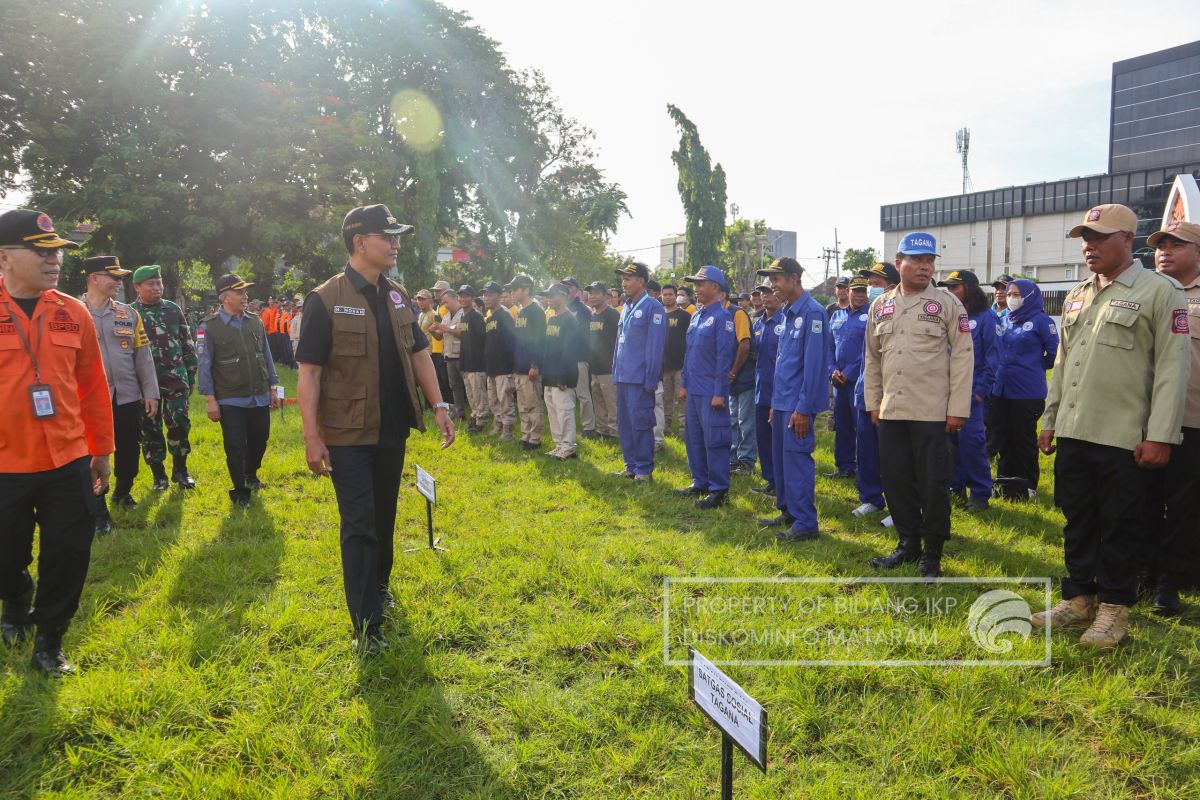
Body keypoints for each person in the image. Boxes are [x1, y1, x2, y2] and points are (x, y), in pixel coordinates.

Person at [297, 203, 453, 656]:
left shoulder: (399, 295)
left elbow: (420, 353)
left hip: (391, 428)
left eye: (397, 235)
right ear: (359, 242)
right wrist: (312, 435)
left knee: (384, 517)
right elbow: (308, 372)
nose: (396, 243)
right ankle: (365, 624)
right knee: (360, 522)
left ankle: (379, 590)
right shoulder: (324, 298)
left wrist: (439, 404)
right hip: (346, 433)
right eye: (387, 236)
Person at [1033, 204, 1190, 649]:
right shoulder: (1079, 293)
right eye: (1086, 237)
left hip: (1125, 436)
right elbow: (1063, 362)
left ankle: (1114, 612)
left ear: (1127, 239)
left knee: (1122, 525)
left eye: (1099, 237)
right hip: (1075, 430)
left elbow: (1172, 370)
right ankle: (1079, 598)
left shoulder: (1159, 291)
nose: (1089, 245)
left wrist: (1160, 435)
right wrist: (1050, 418)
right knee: (1076, 519)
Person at [0, 208, 113, 676]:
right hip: (5, 463)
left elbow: (92, 386)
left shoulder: (73, 311)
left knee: (68, 553)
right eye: (42, 251)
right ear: (5, 257)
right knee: (5, 556)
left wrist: (101, 451)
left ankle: (50, 640)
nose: (55, 261)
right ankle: (15, 597)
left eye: (58, 252)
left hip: (67, 458)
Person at [864, 233, 973, 578]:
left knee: (932, 483)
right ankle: (908, 543)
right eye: (917, 260)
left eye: (930, 261)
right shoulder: (880, 305)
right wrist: (873, 402)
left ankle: (933, 553)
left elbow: (964, 358)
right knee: (895, 481)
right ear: (899, 264)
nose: (925, 266)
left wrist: (958, 409)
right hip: (892, 411)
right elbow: (871, 359)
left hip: (932, 413)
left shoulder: (946, 303)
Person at [1144, 220, 1200, 615]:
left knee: (1184, 504)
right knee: (1141, 500)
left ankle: (1171, 581)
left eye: (1176, 245)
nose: (1164, 251)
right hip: (1142, 419)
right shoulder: (1143, 292)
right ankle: (1143, 572)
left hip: (1191, 419)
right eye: (1160, 244)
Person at [82, 256, 159, 534]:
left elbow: (143, 356)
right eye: (112, 277)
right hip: (87, 402)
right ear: (94, 278)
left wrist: (150, 392)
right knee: (92, 455)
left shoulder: (128, 314)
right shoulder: (73, 312)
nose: (118, 282)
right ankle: (98, 509)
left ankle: (123, 492)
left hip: (126, 397)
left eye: (120, 277)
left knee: (128, 451)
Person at [756, 257, 829, 541]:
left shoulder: (813, 313)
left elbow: (813, 367)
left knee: (797, 461)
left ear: (793, 279)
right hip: (782, 402)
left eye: (776, 280)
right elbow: (783, 364)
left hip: (798, 405)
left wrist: (803, 407)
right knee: (781, 462)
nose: (772, 286)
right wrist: (775, 403)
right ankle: (788, 510)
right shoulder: (787, 313)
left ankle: (805, 523)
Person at [196, 274, 281, 508]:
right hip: (230, 396)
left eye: (245, 292)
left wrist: (273, 387)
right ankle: (240, 490)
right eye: (239, 292)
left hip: (259, 393)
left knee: (260, 438)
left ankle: (250, 473)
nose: (245, 296)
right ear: (225, 297)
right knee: (235, 444)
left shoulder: (255, 321)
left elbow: (266, 355)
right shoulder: (209, 327)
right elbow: (204, 364)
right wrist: (210, 399)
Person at [131, 264, 198, 490]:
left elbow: (187, 343)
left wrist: (190, 375)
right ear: (137, 287)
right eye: (151, 284)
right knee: (150, 428)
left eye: (158, 283)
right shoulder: (130, 314)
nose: (157, 287)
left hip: (176, 378)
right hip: (146, 383)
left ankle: (181, 470)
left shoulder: (172, 309)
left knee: (180, 423)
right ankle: (158, 475)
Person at [937, 270, 999, 511]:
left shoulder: (986, 318)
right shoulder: (949, 317)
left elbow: (993, 359)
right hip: (946, 392)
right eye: (948, 289)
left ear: (970, 289)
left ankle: (981, 493)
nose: (951, 293)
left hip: (971, 393)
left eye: (956, 287)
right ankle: (957, 487)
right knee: (951, 444)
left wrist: (980, 391)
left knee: (971, 443)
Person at [674, 266, 736, 508]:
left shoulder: (723, 318)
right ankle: (699, 481)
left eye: (701, 284)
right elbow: (689, 354)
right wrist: (683, 383)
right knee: (694, 438)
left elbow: (724, 359)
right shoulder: (697, 315)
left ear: (716, 288)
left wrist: (720, 393)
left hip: (712, 391)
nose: (696, 289)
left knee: (715, 440)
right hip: (694, 390)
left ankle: (719, 489)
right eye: (695, 284)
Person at [991, 279, 1057, 499]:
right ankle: (1004, 483)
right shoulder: (1002, 319)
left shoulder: (1041, 321)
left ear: (1028, 296)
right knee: (1004, 438)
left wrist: (1033, 366)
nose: (1011, 297)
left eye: (1017, 294)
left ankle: (1028, 485)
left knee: (1023, 439)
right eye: (1010, 293)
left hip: (1027, 391)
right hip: (1001, 390)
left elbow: (1054, 354)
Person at [852, 263, 899, 523]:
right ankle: (871, 498)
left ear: (892, 286)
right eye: (870, 282)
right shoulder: (871, 313)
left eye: (876, 283)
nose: (870, 288)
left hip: (891, 396)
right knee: (867, 451)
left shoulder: (897, 315)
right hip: (865, 393)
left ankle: (897, 504)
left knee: (892, 455)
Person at [612, 262, 667, 481]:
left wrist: (651, 379)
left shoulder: (653, 307)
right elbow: (620, 342)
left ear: (641, 281)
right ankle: (631, 465)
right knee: (625, 423)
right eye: (622, 278)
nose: (623, 282)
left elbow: (655, 347)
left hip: (640, 377)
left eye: (628, 278)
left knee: (641, 422)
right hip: (623, 376)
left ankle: (644, 469)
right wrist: (615, 370)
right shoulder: (626, 306)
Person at [827, 276, 870, 479]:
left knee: (861, 427)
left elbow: (870, 349)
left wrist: (850, 372)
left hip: (859, 380)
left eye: (863, 291)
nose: (860, 295)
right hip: (838, 380)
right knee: (842, 424)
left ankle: (865, 468)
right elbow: (829, 346)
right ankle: (844, 467)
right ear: (848, 292)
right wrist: (832, 369)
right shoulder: (836, 315)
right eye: (856, 291)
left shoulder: (871, 314)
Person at [540, 283, 583, 460]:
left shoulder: (570, 320)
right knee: (553, 411)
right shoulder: (552, 319)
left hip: (562, 376)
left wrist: (562, 376)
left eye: (552, 295)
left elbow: (570, 351)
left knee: (564, 411)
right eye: (547, 296)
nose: (548, 299)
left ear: (563, 296)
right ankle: (559, 444)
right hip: (549, 375)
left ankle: (568, 446)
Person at [752, 281, 784, 495]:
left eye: (769, 291)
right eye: (762, 292)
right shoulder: (758, 324)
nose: (765, 296)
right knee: (763, 439)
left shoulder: (786, 321)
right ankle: (770, 480)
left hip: (780, 392)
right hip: (760, 390)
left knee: (779, 442)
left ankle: (782, 482)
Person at [507, 273, 545, 451]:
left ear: (526, 290)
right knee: (522, 404)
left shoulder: (536, 311)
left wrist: (535, 365)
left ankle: (535, 438)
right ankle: (526, 434)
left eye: (515, 289)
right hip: (519, 367)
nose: (512, 292)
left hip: (530, 367)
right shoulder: (521, 311)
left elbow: (539, 340)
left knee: (533, 404)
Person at [481, 281, 517, 441]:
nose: (485, 298)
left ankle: (508, 430)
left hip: (503, 367)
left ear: (498, 296)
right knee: (493, 399)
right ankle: (498, 424)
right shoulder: (489, 318)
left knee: (505, 399)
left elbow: (513, 342)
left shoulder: (504, 315)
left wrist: (511, 365)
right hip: (491, 367)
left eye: (489, 294)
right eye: (484, 294)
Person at [727, 289, 757, 474]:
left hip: (743, 375)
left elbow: (745, 345)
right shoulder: (719, 313)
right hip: (731, 378)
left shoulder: (737, 313)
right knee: (732, 420)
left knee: (745, 420)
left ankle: (746, 461)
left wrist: (733, 372)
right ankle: (733, 459)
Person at [561, 278, 596, 439]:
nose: (566, 290)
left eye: (569, 287)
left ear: (576, 290)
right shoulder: (561, 308)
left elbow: (586, 335)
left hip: (580, 357)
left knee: (582, 394)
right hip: (565, 358)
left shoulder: (583, 309)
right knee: (567, 394)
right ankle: (569, 426)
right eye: (564, 287)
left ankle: (588, 427)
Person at [586, 281, 619, 439]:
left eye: (596, 293)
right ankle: (602, 430)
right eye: (590, 293)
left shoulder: (612, 314)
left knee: (611, 402)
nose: (592, 296)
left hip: (609, 368)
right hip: (595, 368)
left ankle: (615, 432)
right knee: (598, 401)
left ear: (606, 296)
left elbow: (619, 341)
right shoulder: (592, 315)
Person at [456, 286, 489, 432]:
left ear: (472, 297)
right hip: (465, 363)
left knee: (478, 394)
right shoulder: (463, 316)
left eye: (466, 296)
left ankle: (481, 421)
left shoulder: (476, 316)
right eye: (461, 296)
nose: (463, 299)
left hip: (476, 363)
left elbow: (484, 340)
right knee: (471, 394)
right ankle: (475, 417)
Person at [432, 287, 467, 420]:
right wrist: (433, 331)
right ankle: (460, 413)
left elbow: (464, 333)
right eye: (442, 302)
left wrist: (445, 328)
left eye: (446, 302)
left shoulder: (464, 314)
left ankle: (477, 413)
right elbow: (439, 336)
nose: (444, 305)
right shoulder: (446, 316)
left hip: (461, 356)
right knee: (454, 386)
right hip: (448, 356)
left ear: (455, 298)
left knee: (469, 386)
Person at [660, 284, 689, 438]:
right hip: (663, 366)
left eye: (671, 294)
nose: (668, 297)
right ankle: (666, 429)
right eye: (665, 294)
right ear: (661, 296)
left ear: (676, 296)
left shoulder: (684, 316)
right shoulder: (658, 316)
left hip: (681, 366)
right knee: (665, 400)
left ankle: (684, 431)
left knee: (683, 400)